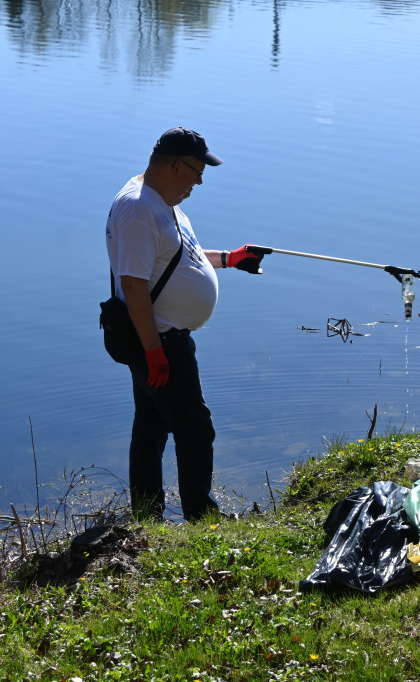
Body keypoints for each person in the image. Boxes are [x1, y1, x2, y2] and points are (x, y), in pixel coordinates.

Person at [104, 127, 264, 522]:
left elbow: (179, 258)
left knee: (153, 426)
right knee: (194, 429)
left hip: (163, 338)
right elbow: (133, 285)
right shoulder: (139, 210)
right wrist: (155, 353)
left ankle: (146, 514)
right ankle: (201, 516)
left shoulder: (160, 201)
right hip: (157, 340)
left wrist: (229, 258)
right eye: (196, 171)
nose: (200, 181)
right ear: (176, 166)